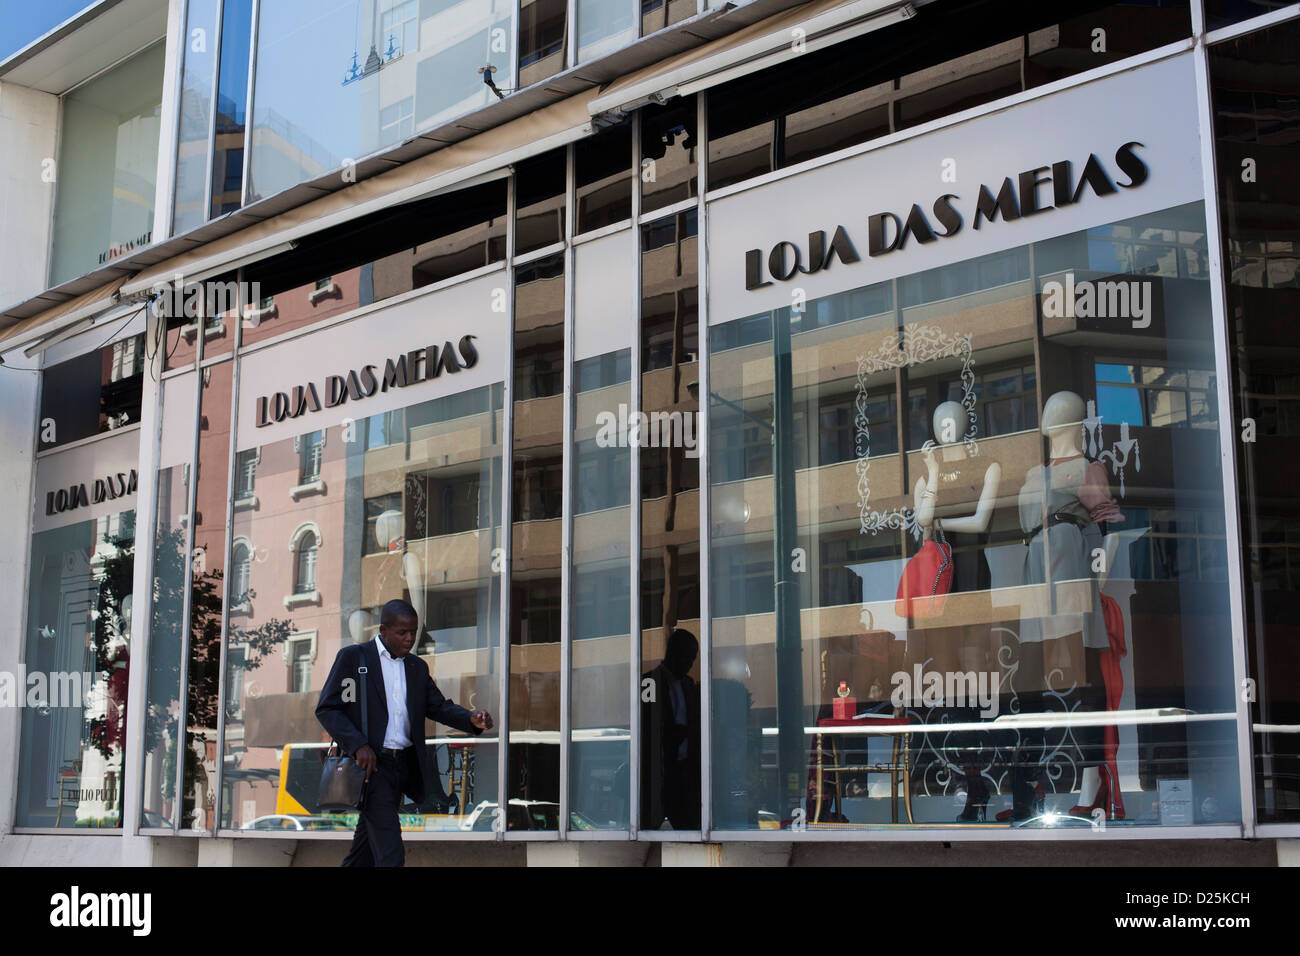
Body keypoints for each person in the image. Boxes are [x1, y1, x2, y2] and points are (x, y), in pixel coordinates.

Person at [316, 598, 493, 866]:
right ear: (383, 629)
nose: (409, 638)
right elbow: (329, 708)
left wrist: (470, 720)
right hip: (371, 768)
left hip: (402, 767)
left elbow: (438, 707)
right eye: (402, 632)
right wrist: (358, 744)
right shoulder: (354, 659)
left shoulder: (416, 668)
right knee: (391, 853)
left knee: (363, 855)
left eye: (413, 632)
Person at [640, 628, 701, 830]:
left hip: (683, 773)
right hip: (660, 771)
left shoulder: (688, 685)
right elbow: (648, 727)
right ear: (673, 653)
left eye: (692, 659)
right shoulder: (649, 682)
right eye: (687, 657)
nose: (689, 664)